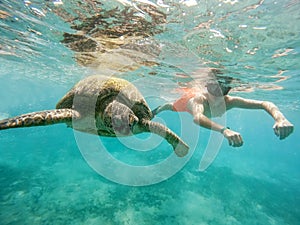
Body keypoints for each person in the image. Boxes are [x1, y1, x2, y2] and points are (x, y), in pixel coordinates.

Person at [152, 76, 294, 147]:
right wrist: (224, 130)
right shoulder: (199, 100)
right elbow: (198, 117)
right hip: (185, 103)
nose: (217, 95)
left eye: (223, 89)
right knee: (170, 107)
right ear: (207, 87)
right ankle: (156, 110)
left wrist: (280, 118)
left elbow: (264, 103)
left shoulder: (229, 102)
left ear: (228, 90)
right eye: (213, 88)